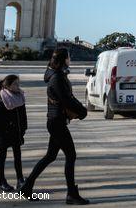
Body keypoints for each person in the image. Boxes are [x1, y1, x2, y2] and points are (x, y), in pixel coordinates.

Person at [20, 48, 89, 205]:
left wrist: (79, 110)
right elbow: (66, 99)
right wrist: (82, 111)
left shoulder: (56, 75)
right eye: (69, 57)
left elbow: (67, 97)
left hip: (56, 121)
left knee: (50, 156)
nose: (70, 59)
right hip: (56, 121)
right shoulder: (57, 77)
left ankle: (27, 186)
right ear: (64, 59)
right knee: (71, 156)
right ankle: (71, 194)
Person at [0, 74, 27, 192]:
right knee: (3, 156)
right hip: (4, 133)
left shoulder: (20, 97)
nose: (18, 86)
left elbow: (23, 116)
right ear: (8, 86)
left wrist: (23, 128)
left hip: (16, 132)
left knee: (18, 156)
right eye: (15, 84)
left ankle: (20, 179)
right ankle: (2, 182)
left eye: (18, 83)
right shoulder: (2, 99)